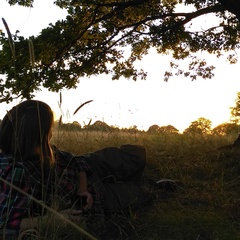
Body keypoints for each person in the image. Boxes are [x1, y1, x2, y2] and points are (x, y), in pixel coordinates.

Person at [0, 100, 152, 238]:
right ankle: (150, 184)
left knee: (136, 154)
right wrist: (53, 219)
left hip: (89, 167)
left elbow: (75, 159)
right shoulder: (17, 172)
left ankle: (125, 179)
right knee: (142, 191)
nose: (52, 133)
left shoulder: (37, 148)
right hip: (97, 195)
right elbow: (6, 224)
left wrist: (82, 188)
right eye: (50, 129)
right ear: (40, 134)